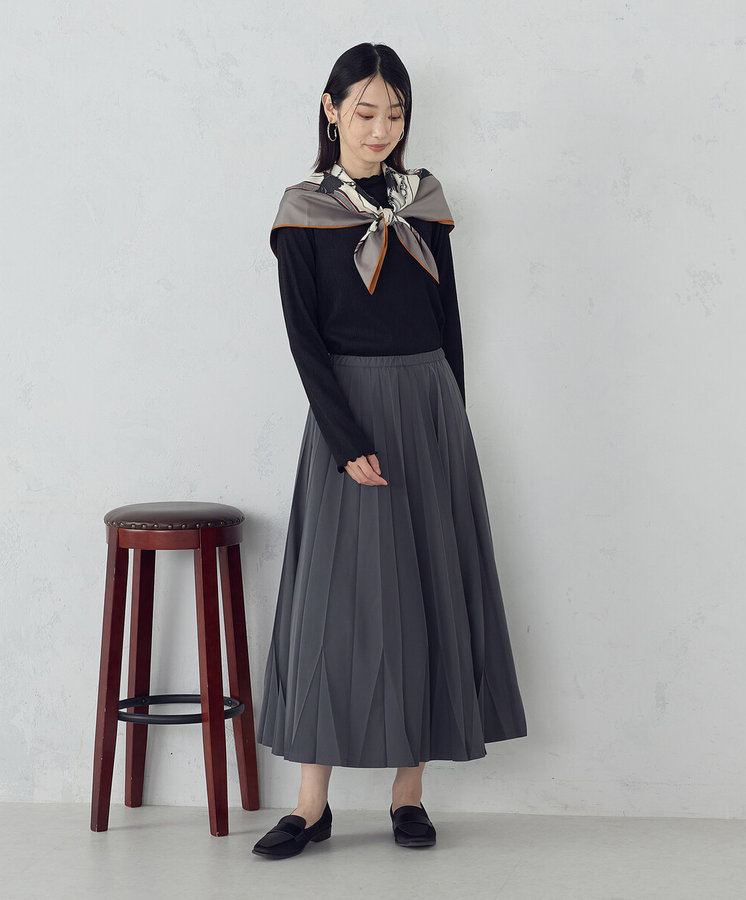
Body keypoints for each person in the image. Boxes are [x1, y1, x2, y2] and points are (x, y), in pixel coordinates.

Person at [252, 42, 527, 859]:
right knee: (333, 605)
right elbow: (304, 339)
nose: (381, 129)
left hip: (429, 406)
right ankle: (311, 805)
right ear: (331, 110)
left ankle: (410, 794)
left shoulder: (425, 202)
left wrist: (453, 419)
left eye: (395, 114)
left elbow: (450, 324)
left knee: (425, 592)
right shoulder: (303, 210)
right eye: (365, 112)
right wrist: (344, 439)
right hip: (351, 412)